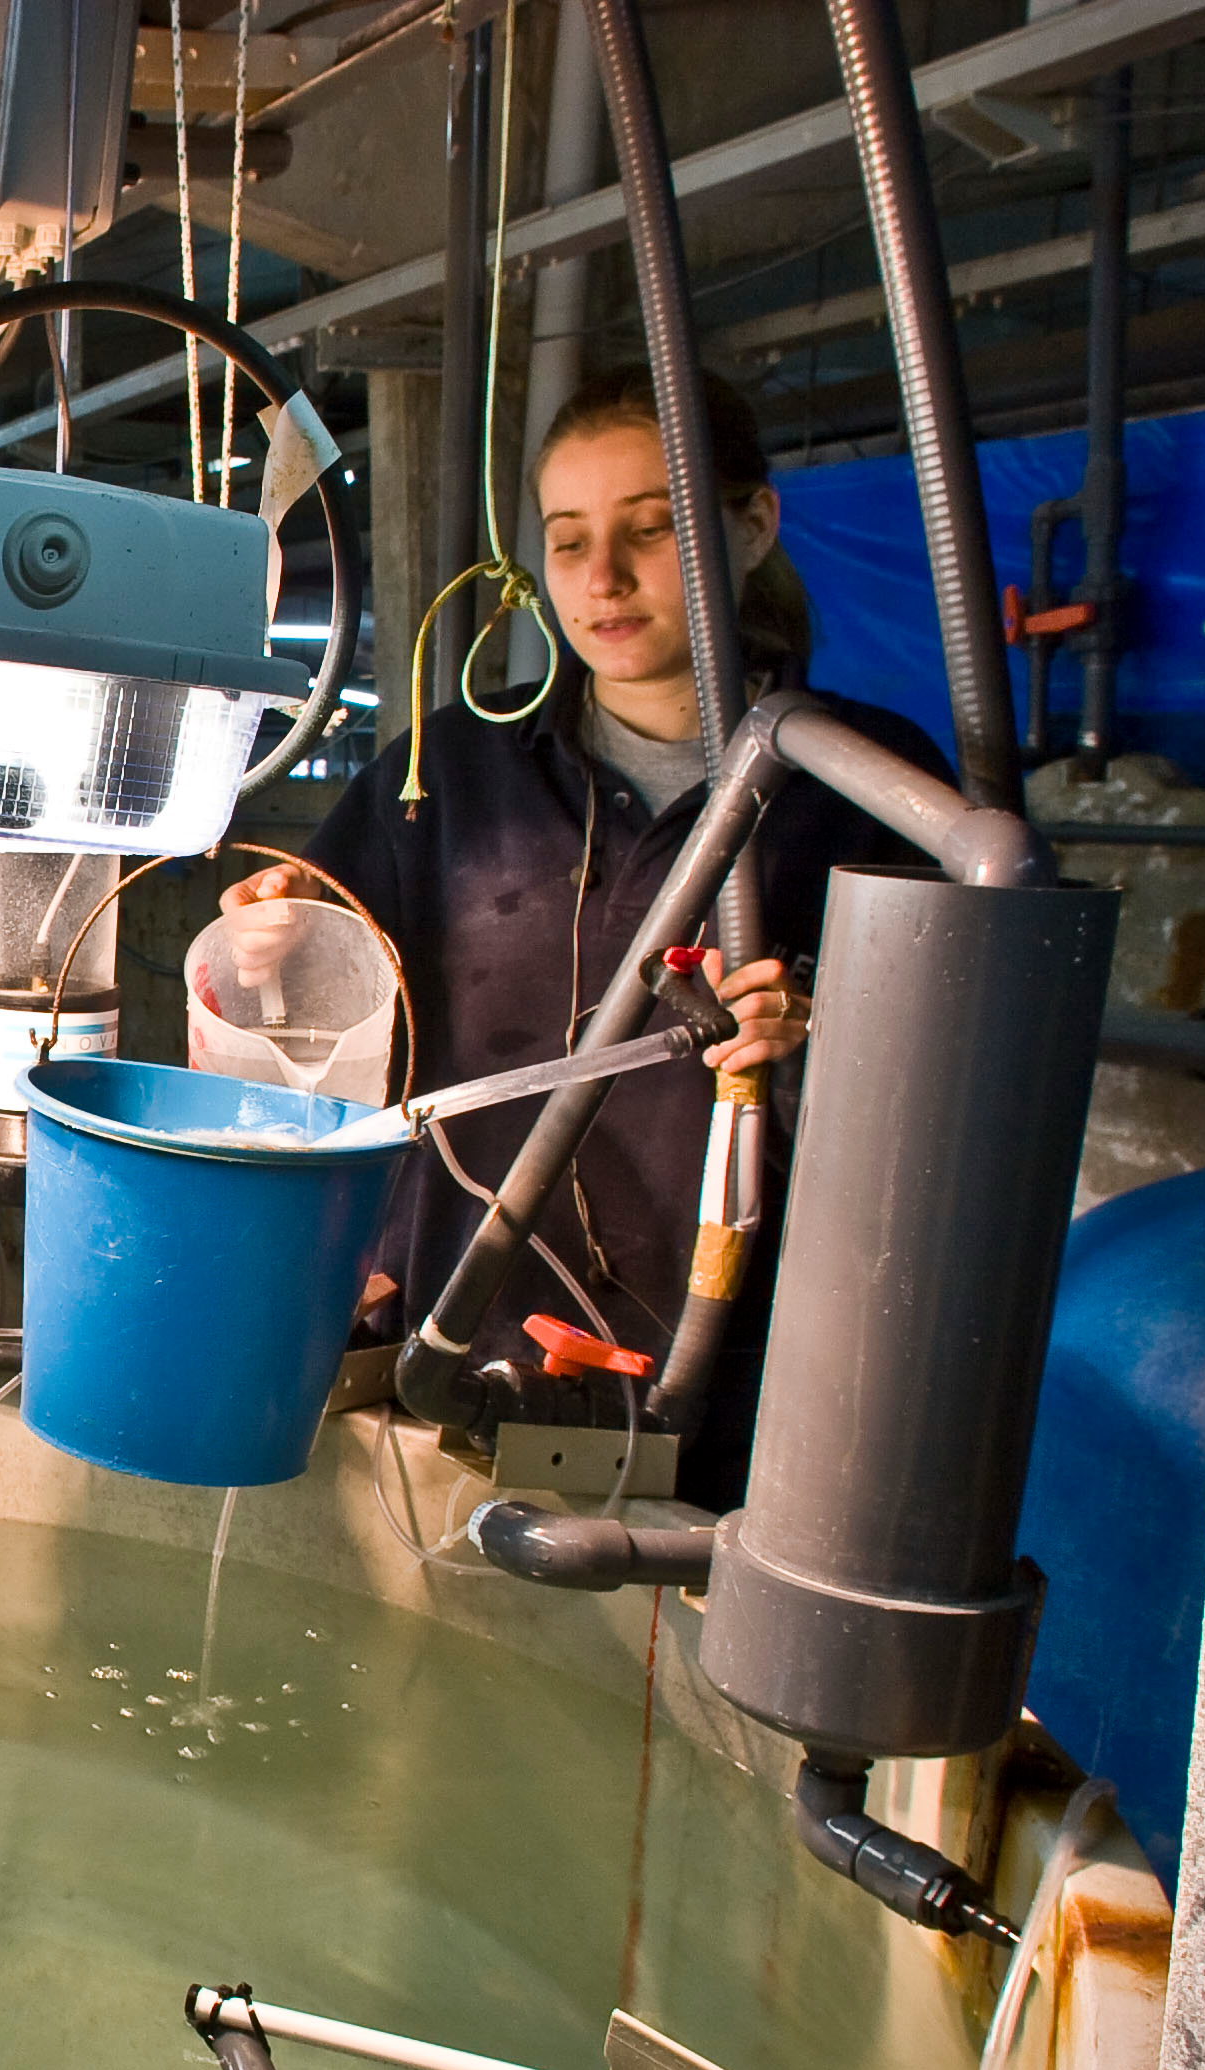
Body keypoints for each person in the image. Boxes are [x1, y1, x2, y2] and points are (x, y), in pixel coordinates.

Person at [220, 364, 946, 1502]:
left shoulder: (872, 788)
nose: (602, 577)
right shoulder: (446, 772)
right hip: (446, 1354)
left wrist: (819, 1033)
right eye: (567, 541)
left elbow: (948, 1111)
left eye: (651, 530)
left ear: (751, 525)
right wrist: (274, 946)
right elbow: (310, 1017)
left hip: (735, 1396)